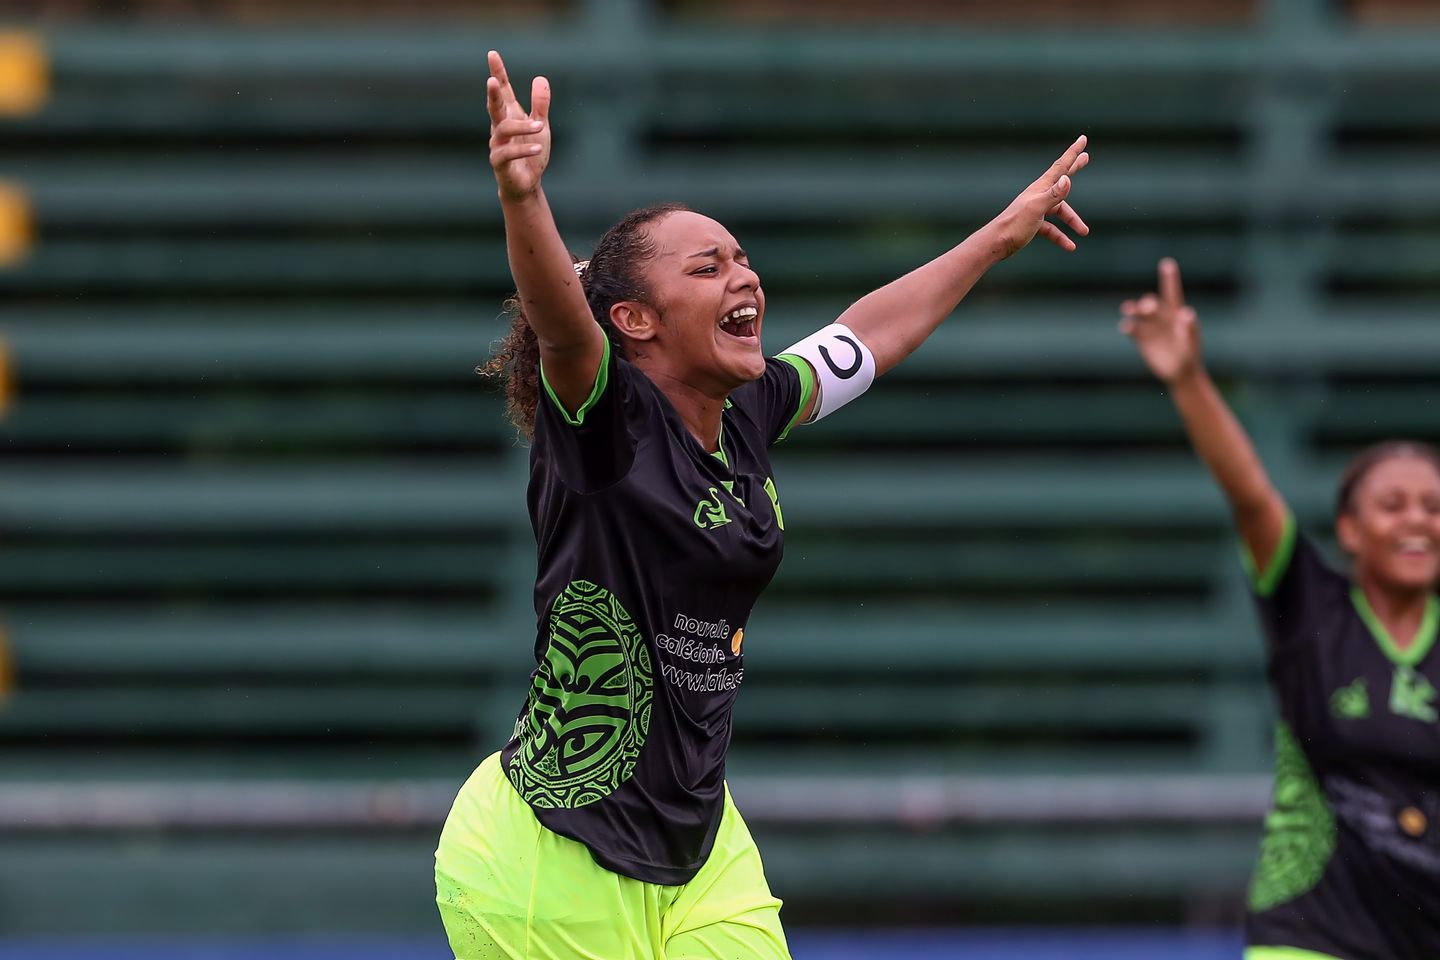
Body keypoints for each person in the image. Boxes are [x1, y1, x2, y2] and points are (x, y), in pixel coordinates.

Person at [433, 49, 1090, 960]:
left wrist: (998, 237)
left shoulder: (746, 409)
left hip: (699, 846)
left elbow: (865, 335)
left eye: (743, 260)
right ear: (635, 321)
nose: (744, 279)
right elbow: (557, 316)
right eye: (708, 269)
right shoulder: (604, 425)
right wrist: (521, 197)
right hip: (545, 856)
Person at [1120, 260, 1440, 960]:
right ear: (1351, 531)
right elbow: (1252, 496)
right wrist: (1188, 379)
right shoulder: (1312, 609)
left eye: (1432, 507)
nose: (1417, 520)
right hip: (1308, 935)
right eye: (1393, 505)